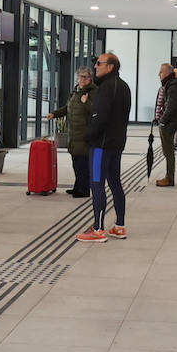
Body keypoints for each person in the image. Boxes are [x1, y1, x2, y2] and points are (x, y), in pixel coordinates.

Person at [76, 52, 131, 242]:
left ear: (110, 67)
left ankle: (98, 229)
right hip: (117, 144)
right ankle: (120, 226)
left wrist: (88, 136)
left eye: (99, 63)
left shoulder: (106, 88)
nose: (95, 66)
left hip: (101, 145)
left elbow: (99, 118)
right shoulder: (124, 87)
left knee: (97, 183)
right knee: (115, 183)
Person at [47, 67, 97, 197]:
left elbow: (94, 112)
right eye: (80, 76)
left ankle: (84, 190)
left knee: (83, 164)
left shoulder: (93, 92)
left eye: (85, 77)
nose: (81, 79)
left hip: (84, 134)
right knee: (76, 162)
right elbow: (68, 108)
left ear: (90, 78)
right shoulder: (76, 91)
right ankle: (78, 186)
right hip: (74, 133)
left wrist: (86, 103)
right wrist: (54, 114)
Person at [153, 63, 177, 187]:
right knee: (168, 151)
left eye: (161, 72)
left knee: (168, 151)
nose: (159, 74)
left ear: (168, 73)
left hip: (171, 121)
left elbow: (171, 105)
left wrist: (162, 120)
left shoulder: (172, 86)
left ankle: (169, 178)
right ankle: (169, 177)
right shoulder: (173, 84)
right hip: (176, 119)